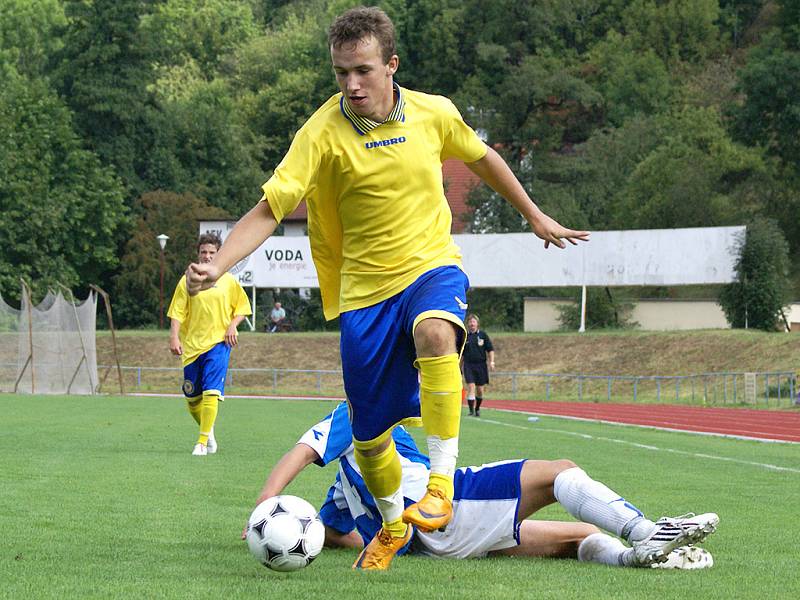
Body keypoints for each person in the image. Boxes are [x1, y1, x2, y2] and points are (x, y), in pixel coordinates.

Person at [186, 6, 589, 569]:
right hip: (364, 298)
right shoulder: (321, 132)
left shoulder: (434, 114)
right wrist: (220, 265)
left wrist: (535, 216)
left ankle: (441, 485)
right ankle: (393, 524)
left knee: (436, 334)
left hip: (430, 268)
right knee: (371, 436)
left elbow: (483, 156)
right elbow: (270, 209)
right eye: (341, 73)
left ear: (391, 66)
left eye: (364, 70)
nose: (352, 84)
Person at [246, 401, 717, 570]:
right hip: (453, 507)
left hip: (436, 546)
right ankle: (646, 532)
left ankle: (639, 558)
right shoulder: (357, 413)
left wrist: (289, 535)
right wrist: (266, 505)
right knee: (560, 471)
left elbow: (332, 533)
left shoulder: (344, 489)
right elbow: (302, 450)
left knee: (575, 539)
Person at [168, 233, 251, 456]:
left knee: (211, 391)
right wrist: (174, 337)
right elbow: (177, 312)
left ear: (218, 255)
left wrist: (233, 326)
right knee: (193, 400)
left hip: (219, 343)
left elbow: (242, 308)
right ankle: (209, 431)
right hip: (192, 347)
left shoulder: (228, 281)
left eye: (212, 253)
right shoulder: (187, 281)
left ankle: (202, 443)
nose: (207, 256)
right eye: (203, 252)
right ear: (198, 254)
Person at [462, 314, 494, 417]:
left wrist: (491, 362)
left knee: (480, 390)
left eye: (473, 322)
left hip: (481, 365)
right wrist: (459, 367)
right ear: (468, 324)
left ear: (477, 323)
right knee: (471, 387)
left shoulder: (483, 335)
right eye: (470, 322)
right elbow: (461, 354)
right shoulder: (465, 337)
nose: (472, 324)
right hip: (468, 365)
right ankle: (471, 411)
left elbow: (490, 350)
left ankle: (477, 408)